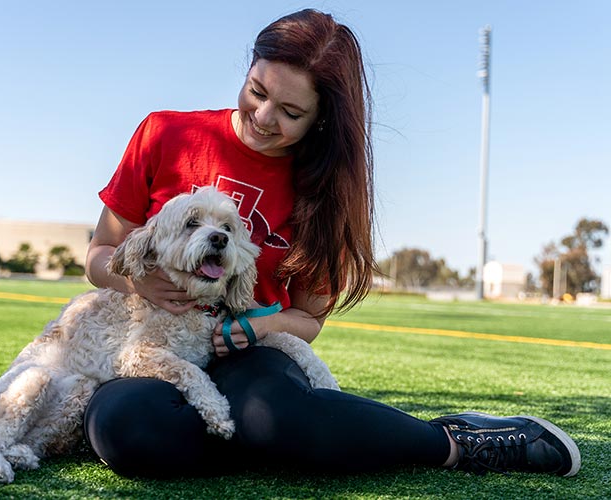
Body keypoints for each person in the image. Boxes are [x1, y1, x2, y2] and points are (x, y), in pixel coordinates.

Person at [83, 9, 581, 478]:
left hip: (244, 356)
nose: (262, 116)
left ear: (321, 118)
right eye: (256, 91)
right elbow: (99, 254)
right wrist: (135, 279)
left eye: (290, 112)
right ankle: (275, 443)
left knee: (272, 415)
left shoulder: (325, 193)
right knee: (128, 427)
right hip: (155, 347)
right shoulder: (164, 133)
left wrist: (262, 326)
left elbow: (308, 319)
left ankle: (453, 441)